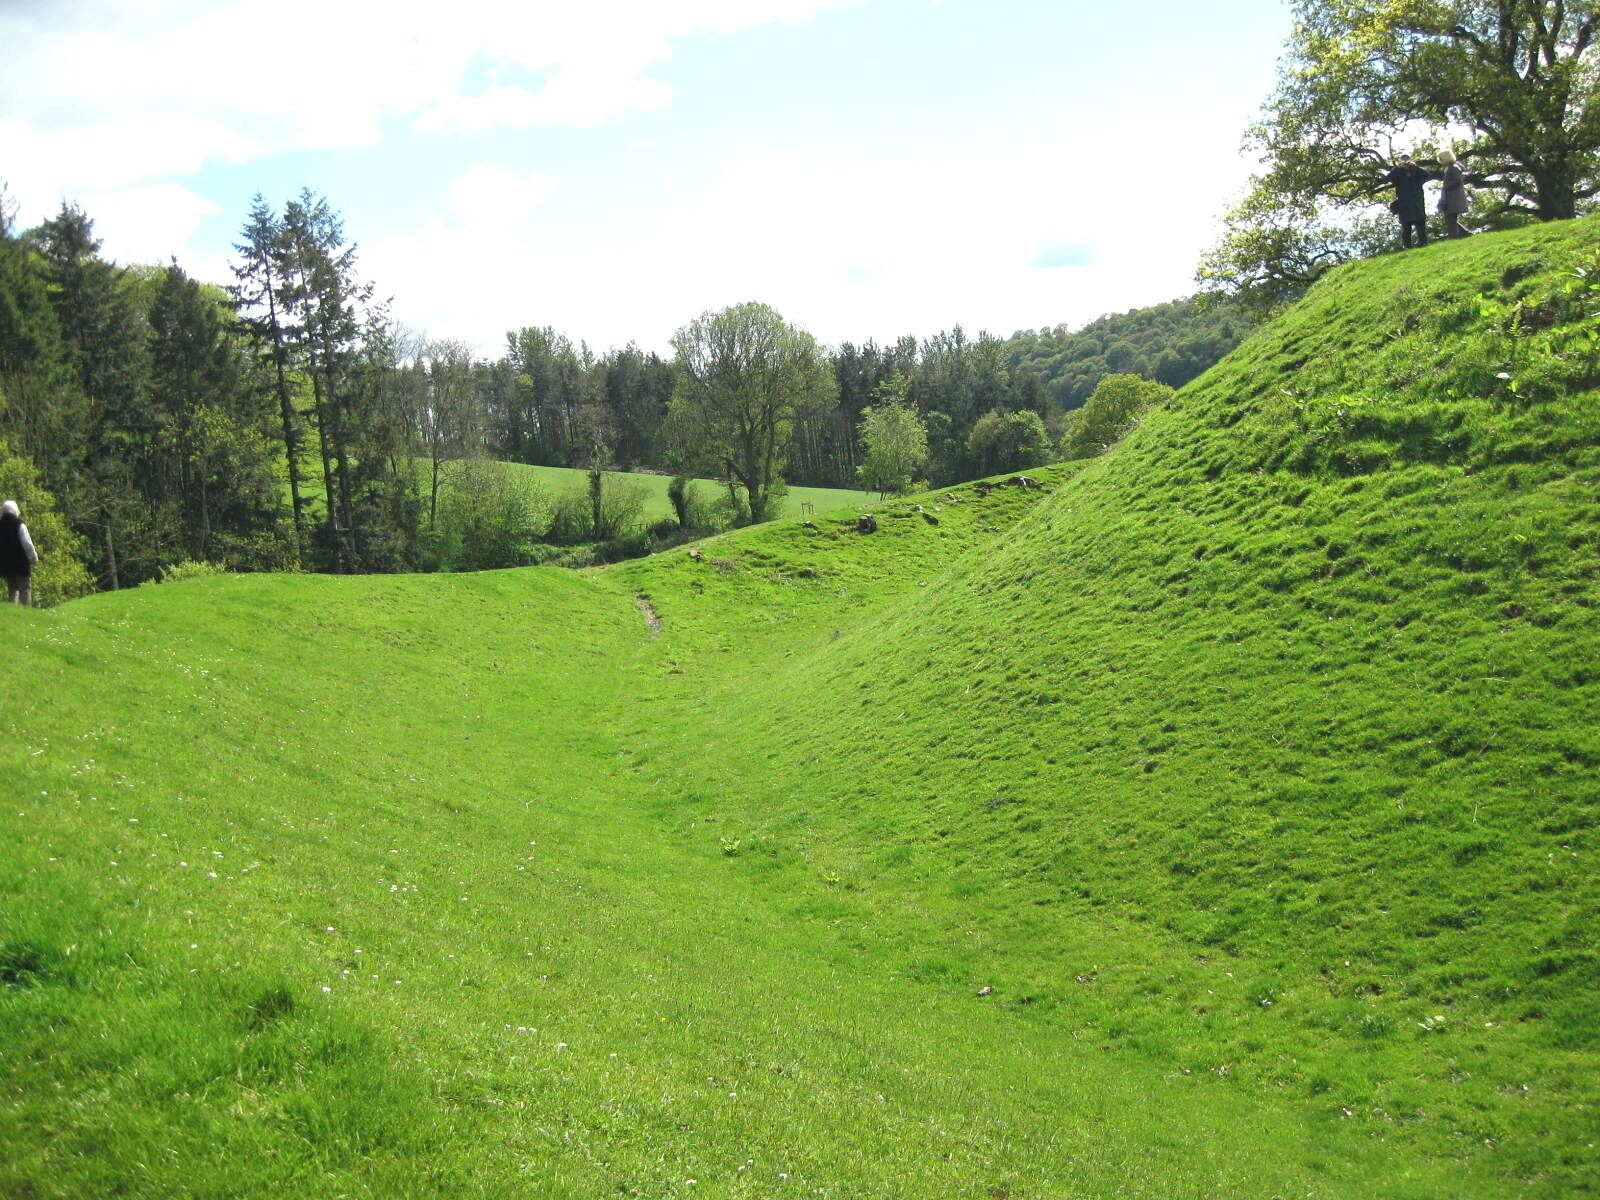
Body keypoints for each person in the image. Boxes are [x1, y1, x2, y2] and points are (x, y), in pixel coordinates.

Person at [1384, 153, 1436, 248]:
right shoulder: (1398, 171)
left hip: (1412, 200)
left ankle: (1418, 244)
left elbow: (1427, 175)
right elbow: (1388, 177)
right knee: (1408, 224)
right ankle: (1412, 244)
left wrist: (1414, 168)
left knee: (1416, 223)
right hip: (1409, 200)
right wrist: (1398, 168)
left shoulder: (1414, 170)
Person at [1, 499, 39, 606]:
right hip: (21, 563)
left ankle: (13, 608)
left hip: (6, 563)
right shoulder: (19, 524)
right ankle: (26, 610)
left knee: (12, 589)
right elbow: (27, 543)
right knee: (25, 588)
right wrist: (33, 557)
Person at [1437, 150, 1472, 239]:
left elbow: (1457, 180)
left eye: (1441, 158)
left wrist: (1446, 186)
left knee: (1450, 217)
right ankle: (1465, 233)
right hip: (1452, 196)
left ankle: (1454, 237)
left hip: (1453, 197)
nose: (1439, 160)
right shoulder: (1451, 167)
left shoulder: (1453, 168)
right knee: (1450, 218)